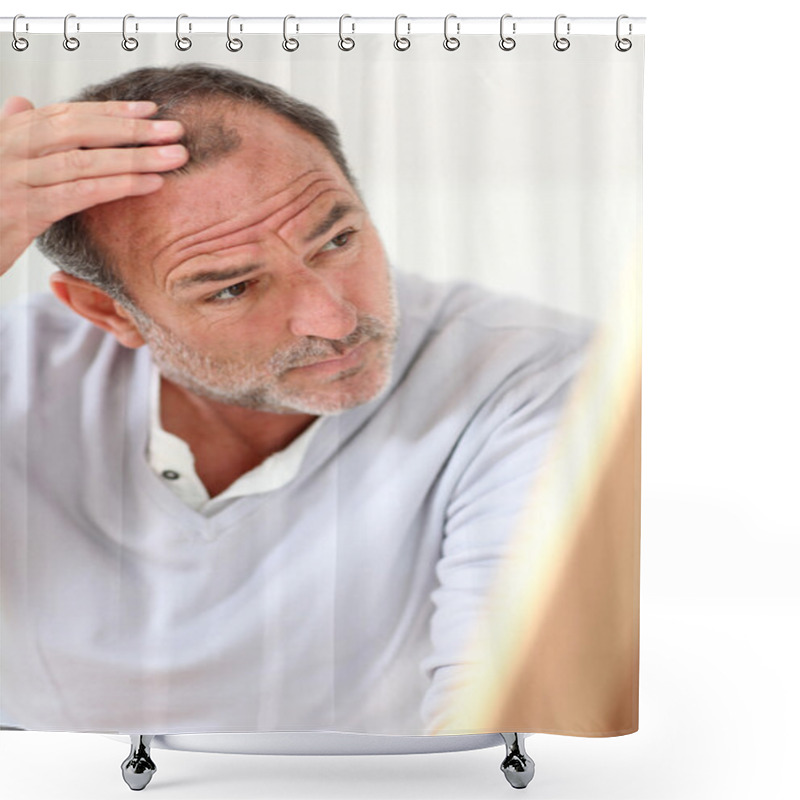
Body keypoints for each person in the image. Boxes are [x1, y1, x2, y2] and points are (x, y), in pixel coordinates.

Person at [0, 65, 592, 736]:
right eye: (233, 288)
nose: (335, 320)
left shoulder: (535, 379)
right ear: (108, 311)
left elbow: (510, 720)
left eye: (338, 240)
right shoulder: (16, 376)